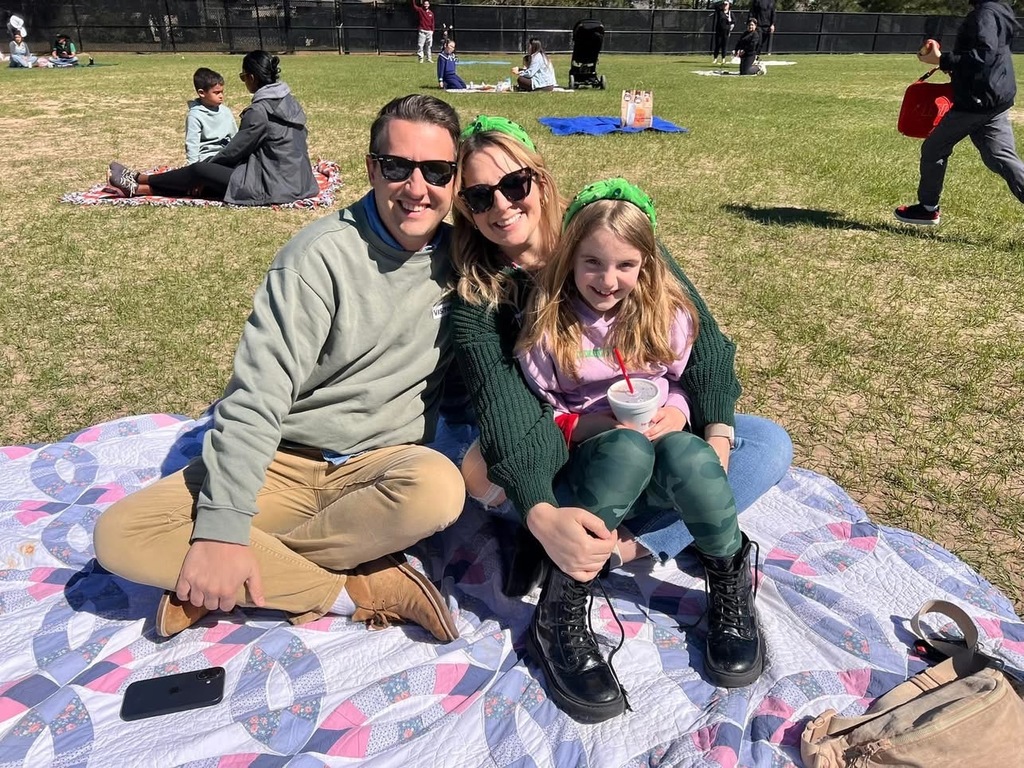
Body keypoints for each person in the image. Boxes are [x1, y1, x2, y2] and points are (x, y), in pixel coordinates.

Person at [449, 116, 792, 720]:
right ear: (467, 210)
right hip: (568, 455)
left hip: (659, 442)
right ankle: (569, 560)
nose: (501, 205)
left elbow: (702, 346)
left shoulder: (606, 235)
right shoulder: (487, 298)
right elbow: (516, 415)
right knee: (484, 463)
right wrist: (556, 484)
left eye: (515, 184)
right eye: (479, 196)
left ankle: (628, 547)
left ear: (543, 182)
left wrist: (705, 428)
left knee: (762, 443)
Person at [93, 93, 466, 643]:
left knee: (438, 490)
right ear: (371, 168)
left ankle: (226, 580)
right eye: (397, 166)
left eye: (437, 171)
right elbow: (256, 397)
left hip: (380, 469)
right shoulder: (317, 258)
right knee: (121, 536)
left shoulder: (465, 259)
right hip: (283, 464)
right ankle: (353, 589)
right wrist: (220, 534)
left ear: (455, 180)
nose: (417, 188)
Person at [107, 51, 317, 205]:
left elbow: (235, 151)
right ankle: (140, 189)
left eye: (243, 77)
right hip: (300, 180)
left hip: (274, 184)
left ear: (252, 77)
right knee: (212, 177)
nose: (244, 81)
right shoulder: (290, 102)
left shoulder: (260, 111)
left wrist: (206, 170)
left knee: (201, 170)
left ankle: (140, 178)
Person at [895, 0, 1024, 226]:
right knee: (999, 157)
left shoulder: (985, 13)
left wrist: (941, 59)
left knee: (934, 148)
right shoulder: (998, 9)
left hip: (977, 101)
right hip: (994, 97)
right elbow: (984, 55)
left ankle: (927, 209)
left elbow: (984, 56)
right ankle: (927, 208)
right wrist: (950, 62)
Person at [185, 67, 238, 165]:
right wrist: (192, 169)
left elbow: (235, 138)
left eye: (222, 92)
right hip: (208, 159)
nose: (221, 96)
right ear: (201, 93)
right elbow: (192, 145)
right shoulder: (195, 116)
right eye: (216, 93)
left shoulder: (226, 111)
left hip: (227, 155)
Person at [711, 1, 735, 66]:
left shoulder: (730, 13)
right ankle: (715, 58)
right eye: (724, 4)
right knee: (717, 45)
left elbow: (734, 21)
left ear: (729, 5)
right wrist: (722, 1)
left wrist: (731, 21)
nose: (725, 6)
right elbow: (715, 5)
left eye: (726, 4)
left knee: (724, 46)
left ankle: (723, 59)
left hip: (726, 32)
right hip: (719, 31)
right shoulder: (720, 12)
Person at [412, 0, 435, 64]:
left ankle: (429, 58)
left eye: (427, 4)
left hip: (429, 32)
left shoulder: (431, 13)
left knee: (429, 46)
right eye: (425, 4)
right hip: (422, 31)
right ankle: (421, 58)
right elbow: (414, 6)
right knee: (420, 45)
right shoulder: (420, 10)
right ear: (423, 5)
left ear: (429, 5)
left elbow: (433, 23)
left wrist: (432, 30)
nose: (426, 5)